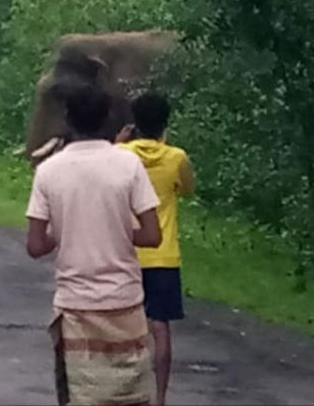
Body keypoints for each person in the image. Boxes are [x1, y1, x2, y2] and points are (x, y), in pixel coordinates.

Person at [26, 85, 162, 406]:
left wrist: (66, 231)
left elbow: (35, 245)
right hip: (125, 302)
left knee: (83, 394)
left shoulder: (48, 171)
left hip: (77, 306)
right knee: (132, 395)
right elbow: (153, 235)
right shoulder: (128, 166)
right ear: (107, 121)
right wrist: (115, 228)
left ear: (68, 121)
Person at [117, 93, 195, 406]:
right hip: (163, 253)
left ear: (134, 122)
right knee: (159, 327)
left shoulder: (121, 154)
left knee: (124, 327)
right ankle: (159, 398)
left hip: (127, 250)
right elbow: (188, 189)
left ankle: (123, 393)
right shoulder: (177, 157)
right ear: (166, 122)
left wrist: (116, 141)